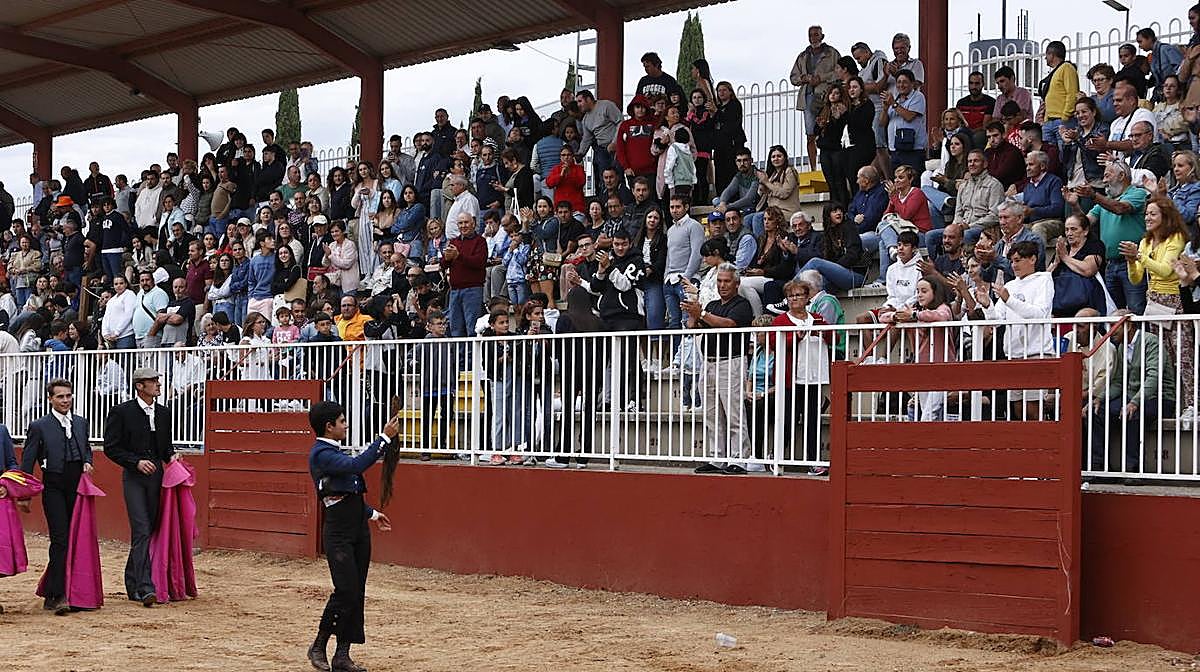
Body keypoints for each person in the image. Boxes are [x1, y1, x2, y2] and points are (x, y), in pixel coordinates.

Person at [305, 401, 399, 672]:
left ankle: (342, 655)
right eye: (342, 421)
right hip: (339, 532)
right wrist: (383, 438)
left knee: (356, 591)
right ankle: (319, 645)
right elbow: (358, 465)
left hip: (356, 525)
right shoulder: (321, 454)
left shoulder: (331, 452)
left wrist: (371, 514)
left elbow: (347, 493)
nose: (346, 425)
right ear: (329, 426)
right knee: (345, 589)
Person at [102, 367, 176, 607]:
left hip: (157, 476)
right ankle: (145, 587)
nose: (157, 384)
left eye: (157, 380)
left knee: (150, 527)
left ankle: (133, 581)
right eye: (152, 381)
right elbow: (111, 447)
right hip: (134, 476)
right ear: (139, 386)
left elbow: (165, 447)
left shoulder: (164, 413)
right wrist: (135, 462)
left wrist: (173, 458)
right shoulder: (122, 412)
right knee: (142, 528)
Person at [19, 378, 93, 615]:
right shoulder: (39, 425)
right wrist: (24, 494)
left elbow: (87, 448)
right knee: (60, 539)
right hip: (53, 486)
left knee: (75, 538)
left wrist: (88, 462)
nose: (65, 400)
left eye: (68, 396)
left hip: (77, 486)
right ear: (50, 399)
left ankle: (62, 591)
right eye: (60, 397)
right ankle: (57, 594)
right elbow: (28, 461)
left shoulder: (81, 423)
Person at [1123, 197, 1192, 415]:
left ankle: (1192, 404)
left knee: (1184, 357)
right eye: (1146, 214)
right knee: (1162, 358)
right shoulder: (1145, 242)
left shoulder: (1176, 237)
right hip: (1154, 303)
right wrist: (1131, 261)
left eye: (1153, 214)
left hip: (1175, 302)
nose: (1147, 218)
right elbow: (1135, 279)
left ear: (1165, 217)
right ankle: (1169, 405)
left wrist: (1139, 257)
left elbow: (1166, 270)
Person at [686, 263, 757, 474]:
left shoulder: (742, 304)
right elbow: (693, 326)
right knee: (711, 413)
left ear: (737, 283)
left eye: (726, 281)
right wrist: (693, 311)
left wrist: (702, 314)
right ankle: (717, 457)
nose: (722, 285)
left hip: (731, 361)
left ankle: (739, 459)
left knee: (734, 412)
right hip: (709, 361)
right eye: (719, 281)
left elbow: (728, 324)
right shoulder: (713, 304)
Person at [976, 241, 1055, 419]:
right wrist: (988, 305)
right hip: (1014, 354)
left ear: (1033, 259)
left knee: (1034, 409)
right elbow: (996, 322)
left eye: (1018, 260)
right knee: (1017, 409)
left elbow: (1039, 314)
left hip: (1037, 353)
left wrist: (1009, 300)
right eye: (1012, 261)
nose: (1014, 265)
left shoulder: (1044, 279)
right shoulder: (1010, 286)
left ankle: (1040, 445)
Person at [1090, 313, 1174, 474]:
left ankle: (1132, 468)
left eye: (1114, 325)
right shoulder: (1122, 346)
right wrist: (1100, 398)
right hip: (1133, 397)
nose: (1110, 330)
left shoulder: (1150, 341)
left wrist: (1134, 402)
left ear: (1128, 325)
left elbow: (1154, 377)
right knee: (1098, 411)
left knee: (1132, 414)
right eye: (1109, 326)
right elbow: (1119, 381)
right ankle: (1099, 467)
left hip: (1160, 398)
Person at [1066, 158, 1148, 314]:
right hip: (1110, 264)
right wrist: (1075, 205)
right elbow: (1084, 225)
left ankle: (1139, 339)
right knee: (1113, 312)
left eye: (1108, 175)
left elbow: (1120, 208)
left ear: (1122, 175)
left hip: (1132, 263)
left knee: (1136, 309)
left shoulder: (1137, 193)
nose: (1104, 180)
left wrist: (1094, 195)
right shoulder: (1104, 202)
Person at [791, 26, 842, 170]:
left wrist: (821, 78)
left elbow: (839, 72)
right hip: (808, 97)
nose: (813, 37)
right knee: (810, 133)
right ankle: (813, 168)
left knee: (828, 132)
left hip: (827, 96)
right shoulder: (802, 56)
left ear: (822, 36)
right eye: (811, 35)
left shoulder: (832, 53)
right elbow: (793, 77)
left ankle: (830, 165)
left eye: (816, 34)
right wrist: (804, 78)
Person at [443, 212, 486, 337]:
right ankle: (459, 356)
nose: (463, 225)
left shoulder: (480, 241)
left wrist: (458, 256)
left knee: (472, 328)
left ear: (473, 224)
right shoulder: (453, 242)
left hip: (472, 289)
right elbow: (444, 265)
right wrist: (447, 257)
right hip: (455, 290)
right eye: (460, 223)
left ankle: (473, 356)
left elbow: (480, 262)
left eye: (466, 222)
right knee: (455, 328)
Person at [880, 69, 926, 173]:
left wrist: (893, 104)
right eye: (899, 82)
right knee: (898, 182)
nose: (901, 85)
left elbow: (909, 116)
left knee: (912, 181)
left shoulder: (918, 96)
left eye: (905, 82)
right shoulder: (895, 99)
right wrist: (885, 108)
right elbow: (882, 123)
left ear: (912, 83)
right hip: (895, 149)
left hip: (913, 150)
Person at [1037, 41, 1080, 145]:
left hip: (1062, 120)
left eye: (1046, 54)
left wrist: (1065, 117)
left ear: (1052, 55)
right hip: (1049, 121)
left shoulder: (1067, 68)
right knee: (1049, 156)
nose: (1045, 58)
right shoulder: (1053, 73)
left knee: (1064, 154)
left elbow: (1072, 93)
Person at [1020, 151, 1065, 245]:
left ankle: (1039, 259)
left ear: (1042, 166)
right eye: (1026, 165)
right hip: (1032, 223)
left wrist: (1032, 211)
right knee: (1015, 227)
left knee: (1038, 228)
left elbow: (1058, 209)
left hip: (1053, 222)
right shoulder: (1028, 187)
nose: (1027, 168)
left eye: (1031, 164)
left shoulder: (1054, 181)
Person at [1137, 27, 1183, 103]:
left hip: (1176, 94)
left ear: (1149, 39)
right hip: (1163, 95)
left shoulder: (1166, 49)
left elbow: (1181, 68)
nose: (1139, 46)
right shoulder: (1153, 55)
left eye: (1140, 41)